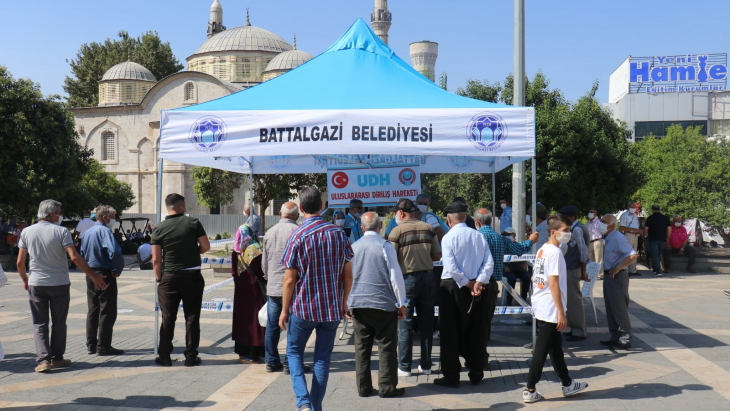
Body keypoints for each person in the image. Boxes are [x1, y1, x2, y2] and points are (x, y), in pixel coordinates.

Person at [279, 186, 354, 411]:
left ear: (301, 208)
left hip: (303, 308)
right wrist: (344, 302)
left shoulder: (298, 235)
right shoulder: (339, 234)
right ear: (322, 206)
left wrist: (284, 310)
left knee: (294, 352)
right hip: (331, 308)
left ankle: (303, 403)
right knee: (322, 359)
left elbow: (289, 280)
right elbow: (348, 274)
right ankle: (316, 406)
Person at [17, 200, 107, 372]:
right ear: (51, 214)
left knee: (39, 323)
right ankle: (57, 357)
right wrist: (93, 275)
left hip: (37, 283)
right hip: (59, 283)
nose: (60, 215)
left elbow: (20, 261)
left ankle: (43, 360)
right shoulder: (61, 231)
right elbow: (73, 257)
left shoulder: (27, 231)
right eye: (58, 212)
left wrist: (25, 279)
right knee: (59, 322)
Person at [523, 214, 588, 403]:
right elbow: (554, 283)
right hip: (550, 307)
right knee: (542, 351)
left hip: (542, 304)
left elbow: (535, 277)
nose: (568, 234)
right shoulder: (555, 253)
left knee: (555, 348)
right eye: (565, 231)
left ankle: (567, 383)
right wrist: (561, 311)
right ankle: (530, 389)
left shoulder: (543, 250)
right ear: (553, 232)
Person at [347, 212, 407, 398]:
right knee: (387, 347)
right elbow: (395, 276)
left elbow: (346, 278)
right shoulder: (385, 246)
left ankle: (363, 388)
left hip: (359, 303)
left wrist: (347, 303)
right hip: (383, 304)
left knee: (362, 348)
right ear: (380, 226)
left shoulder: (353, 247)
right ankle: (387, 387)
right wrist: (401, 302)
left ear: (362, 228)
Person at [436, 201, 494, 388]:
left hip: (453, 286)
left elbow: (450, 266)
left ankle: (451, 376)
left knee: (450, 331)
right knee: (476, 329)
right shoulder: (478, 236)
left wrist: (467, 282)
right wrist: (478, 282)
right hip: (476, 287)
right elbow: (489, 263)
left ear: (449, 219)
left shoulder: (448, 237)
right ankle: (476, 372)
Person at [151, 193, 210, 367]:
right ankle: (191, 356)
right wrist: (194, 253)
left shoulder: (159, 229)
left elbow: (156, 260)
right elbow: (206, 246)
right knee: (192, 316)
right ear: (181, 207)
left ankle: (165, 356)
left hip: (169, 277)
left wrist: (159, 278)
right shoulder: (193, 223)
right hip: (192, 276)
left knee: (168, 317)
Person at [387, 198, 441, 377]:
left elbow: (391, 259)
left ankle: (404, 366)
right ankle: (426, 365)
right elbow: (436, 255)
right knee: (427, 323)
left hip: (406, 280)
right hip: (427, 278)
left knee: (405, 323)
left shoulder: (396, 231)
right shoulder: (429, 228)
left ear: (401, 213)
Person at [80, 205, 124, 356]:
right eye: (113, 216)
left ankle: (90, 344)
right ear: (104, 217)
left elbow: (82, 252)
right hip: (105, 273)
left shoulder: (88, 232)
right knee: (107, 310)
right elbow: (116, 251)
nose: (114, 220)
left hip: (90, 273)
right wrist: (117, 269)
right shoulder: (104, 231)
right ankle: (103, 346)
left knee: (93, 309)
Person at [262, 202, 300, 373]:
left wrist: (269, 279)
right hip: (294, 287)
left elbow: (264, 264)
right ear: (296, 216)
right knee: (293, 326)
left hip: (274, 287)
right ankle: (288, 363)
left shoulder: (270, 232)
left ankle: (271, 361)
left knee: (272, 325)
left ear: (280, 214)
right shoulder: (298, 232)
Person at [476, 209, 537, 308]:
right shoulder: (499, 238)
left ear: (477, 222)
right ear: (490, 221)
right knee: (487, 318)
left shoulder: (473, 237)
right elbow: (518, 249)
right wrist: (530, 241)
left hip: (475, 283)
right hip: (492, 283)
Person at [599, 214, 638, 349]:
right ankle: (615, 335)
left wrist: (618, 267)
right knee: (610, 307)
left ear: (611, 225)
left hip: (617, 276)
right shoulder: (608, 238)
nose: (600, 224)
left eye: (603, 222)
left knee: (619, 307)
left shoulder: (617, 238)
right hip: (609, 276)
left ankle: (625, 336)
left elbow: (632, 254)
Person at [232, 223, 266, 364]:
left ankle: (243, 352)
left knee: (243, 321)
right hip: (256, 291)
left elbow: (234, 272)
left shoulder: (237, 250)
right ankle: (255, 352)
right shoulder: (257, 250)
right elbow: (263, 270)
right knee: (255, 320)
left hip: (241, 291)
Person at [557, 205, 590, 342]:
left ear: (571, 218)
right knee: (568, 300)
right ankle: (573, 328)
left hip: (573, 268)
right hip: (569, 268)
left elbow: (583, 251)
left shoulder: (577, 230)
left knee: (574, 300)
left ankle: (579, 331)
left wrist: (583, 270)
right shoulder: (575, 228)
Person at [643, 204, 671, 277]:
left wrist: (644, 236)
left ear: (652, 210)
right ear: (660, 209)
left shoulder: (650, 218)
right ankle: (656, 269)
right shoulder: (665, 218)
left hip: (653, 238)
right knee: (658, 254)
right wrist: (668, 237)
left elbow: (646, 229)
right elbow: (669, 229)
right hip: (662, 238)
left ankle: (658, 271)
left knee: (654, 254)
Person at [619, 201, 642, 276]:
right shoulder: (624, 215)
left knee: (634, 252)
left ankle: (632, 270)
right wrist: (632, 230)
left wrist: (638, 231)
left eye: (634, 207)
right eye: (632, 207)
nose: (633, 209)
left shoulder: (635, 216)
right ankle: (625, 269)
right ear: (628, 207)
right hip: (628, 235)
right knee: (627, 252)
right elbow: (621, 227)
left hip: (635, 235)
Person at [587, 207, 605, 280]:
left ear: (595, 214)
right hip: (590, 241)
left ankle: (600, 274)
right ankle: (591, 274)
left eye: (592, 212)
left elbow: (603, 231)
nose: (590, 213)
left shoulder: (598, 222)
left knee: (598, 258)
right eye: (589, 212)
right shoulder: (588, 222)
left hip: (597, 241)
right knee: (590, 259)